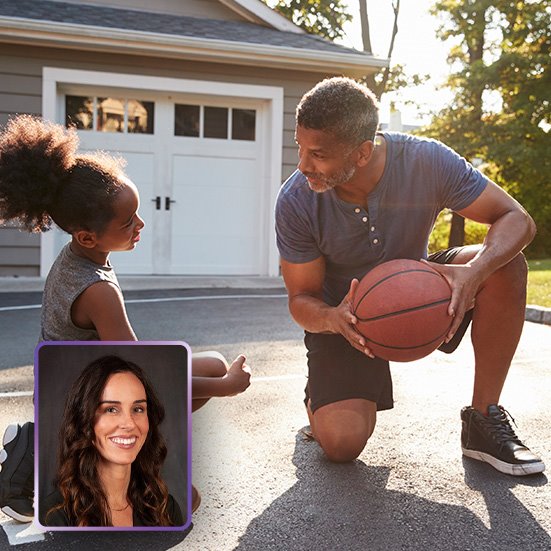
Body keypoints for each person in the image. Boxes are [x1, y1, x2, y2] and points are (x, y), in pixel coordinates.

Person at [275, 77, 545, 476]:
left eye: (318, 154)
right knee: (342, 445)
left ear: (363, 152)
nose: (303, 165)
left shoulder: (427, 161)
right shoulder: (297, 200)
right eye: (300, 147)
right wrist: (333, 318)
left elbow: (516, 219)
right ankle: (320, 398)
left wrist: (473, 272)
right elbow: (301, 299)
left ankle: (483, 419)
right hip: (344, 319)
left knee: (504, 264)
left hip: (420, 291)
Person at [0, 115, 251, 522]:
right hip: (78, 406)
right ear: (86, 236)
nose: (141, 225)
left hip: (78, 386)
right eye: (128, 222)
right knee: (179, 505)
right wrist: (226, 389)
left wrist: (217, 379)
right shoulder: (97, 290)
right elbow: (143, 375)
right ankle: (52, 469)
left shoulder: (79, 258)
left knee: (211, 365)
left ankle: (69, 449)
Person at [40, 355, 183, 527]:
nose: (129, 424)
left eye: (138, 409)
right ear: (84, 420)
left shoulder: (164, 508)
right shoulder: (55, 517)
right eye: (111, 409)